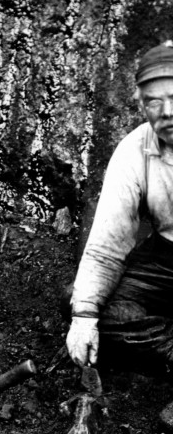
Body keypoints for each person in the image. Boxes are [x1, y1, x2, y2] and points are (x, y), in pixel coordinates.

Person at [66, 40, 173, 375]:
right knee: (84, 303)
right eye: (154, 102)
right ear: (141, 104)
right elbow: (107, 246)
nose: (166, 111)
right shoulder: (135, 150)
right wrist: (84, 317)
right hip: (165, 260)